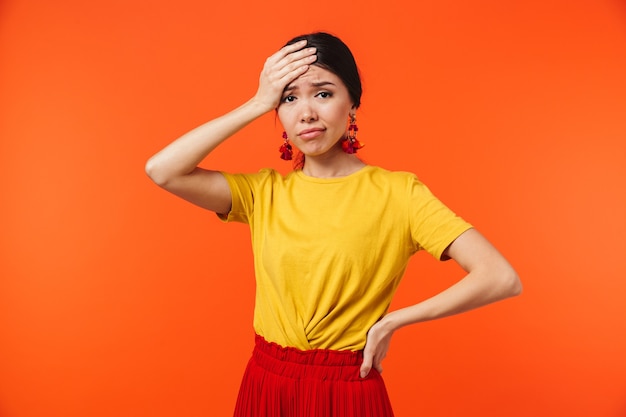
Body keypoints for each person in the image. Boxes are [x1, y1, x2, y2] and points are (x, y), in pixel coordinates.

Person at [145, 32, 522, 417]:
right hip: (266, 384)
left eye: (323, 93)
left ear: (352, 104)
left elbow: (500, 276)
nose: (306, 112)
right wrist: (258, 102)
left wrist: (394, 321)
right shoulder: (264, 193)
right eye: (289, 98)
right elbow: (162, 170)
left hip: (347, 389)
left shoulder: (399, 194)